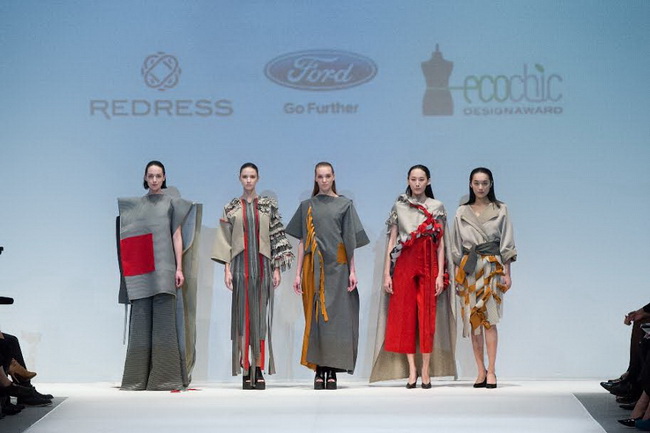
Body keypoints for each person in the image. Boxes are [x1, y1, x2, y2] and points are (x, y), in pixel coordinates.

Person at [117, 160, 201, 391]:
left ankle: (164, 378)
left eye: (158, 176)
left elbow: (176, 236)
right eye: (150, 176)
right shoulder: (135, 207)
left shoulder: (172, 204)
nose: (154, 179)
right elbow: (129, 238)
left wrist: (179, 268)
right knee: (141, 321)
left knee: (165, 322)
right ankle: (137, 379)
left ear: (164, 178)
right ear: (145, 178)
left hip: (165, 268)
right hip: (143, 269)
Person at [370, 165, 457, 388]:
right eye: (413, 179)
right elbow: (392, 240)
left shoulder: (437, 207)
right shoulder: (399, 206)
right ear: (408, 180)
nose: (417, 183)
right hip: (404, 263)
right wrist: (387, 274)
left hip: (428, 262)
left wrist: (440, 274)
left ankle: (426, 369)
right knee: (406, 316)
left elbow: (440, 243)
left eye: (421, 179)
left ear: (428, 181)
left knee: (427, 317)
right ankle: (412, 370)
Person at [286, 162, 369, 390]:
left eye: (327, 176)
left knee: (335, 320)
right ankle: (319, 370)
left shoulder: (345, 205)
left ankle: (331, 370)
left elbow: (349, 240)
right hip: (312, 267)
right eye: (320, 176)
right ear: (315, 178)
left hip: (338, 268)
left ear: (333, 177)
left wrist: (353, 270)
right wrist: (297, 273)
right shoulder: (307, 206)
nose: (324, 180)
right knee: (315, 319)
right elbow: (302, 241)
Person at [212, 163, 294, 390]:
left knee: (259, 318)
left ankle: (258, 367)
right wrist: (227, 269)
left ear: (258, 178)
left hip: (263, 267)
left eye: (252, 176)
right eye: (245, 176)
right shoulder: (231, 207)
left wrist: (276, 268)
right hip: (240, 267)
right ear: (240, 178)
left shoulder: (268, 207)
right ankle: (246, 367)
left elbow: (276, 236)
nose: (248, 180)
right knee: (242, 317)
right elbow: (225, 240)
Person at [451, 167, 516, 389]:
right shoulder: (461, 211)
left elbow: (507, 242)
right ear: (470, 184)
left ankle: (492, 370)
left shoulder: (501, 209)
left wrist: (507, 272)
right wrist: (458, 274)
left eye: (484, 183)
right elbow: (455, 245)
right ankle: (480, 370)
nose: (480, 187)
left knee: (490, 320)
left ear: (491, 184)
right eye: (476, 183)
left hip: (492, 267)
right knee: (474, 321)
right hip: (469, 268)